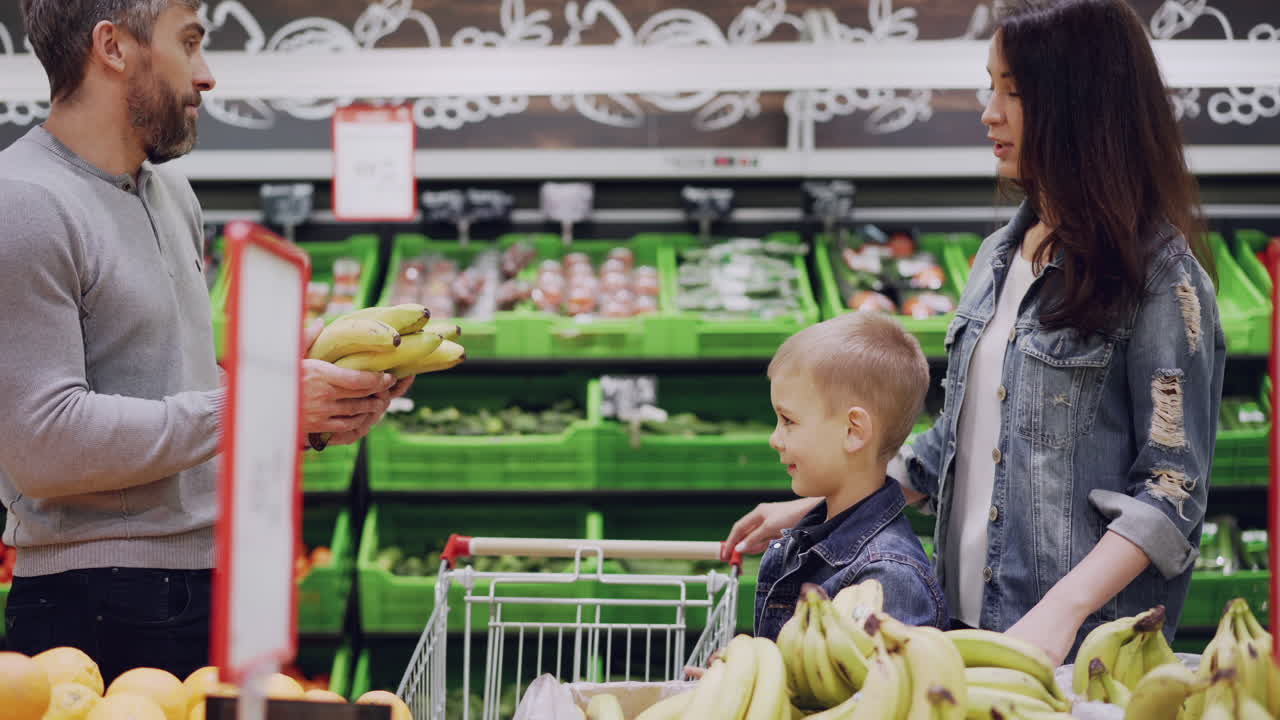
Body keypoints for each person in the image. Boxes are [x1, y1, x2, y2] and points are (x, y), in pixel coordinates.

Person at [725, 0, 1225, 666]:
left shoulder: (1161, 282)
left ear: (1081, 107)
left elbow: (1171, 492)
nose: (990, 112)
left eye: (1013, 93)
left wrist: (1060, 612)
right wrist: (828, 503)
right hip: (957, 620)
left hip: (1077, 648)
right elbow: (958, 441)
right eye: (991, 87)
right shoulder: (997, 259)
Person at [0, 0, 409, 683]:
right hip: (100, 599)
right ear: (114, 47)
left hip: (206, 577)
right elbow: (45, 442)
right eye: (189, 44)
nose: (208, 74)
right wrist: (264, 401)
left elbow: (169, 384)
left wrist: (306, 391)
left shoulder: (170, 195)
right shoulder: (24, 204)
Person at [752, 311, 946, 641]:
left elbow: (879, 687)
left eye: (788, 421)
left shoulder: (888, 579)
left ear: (853, 431)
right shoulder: (810, 537)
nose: (774, 438)